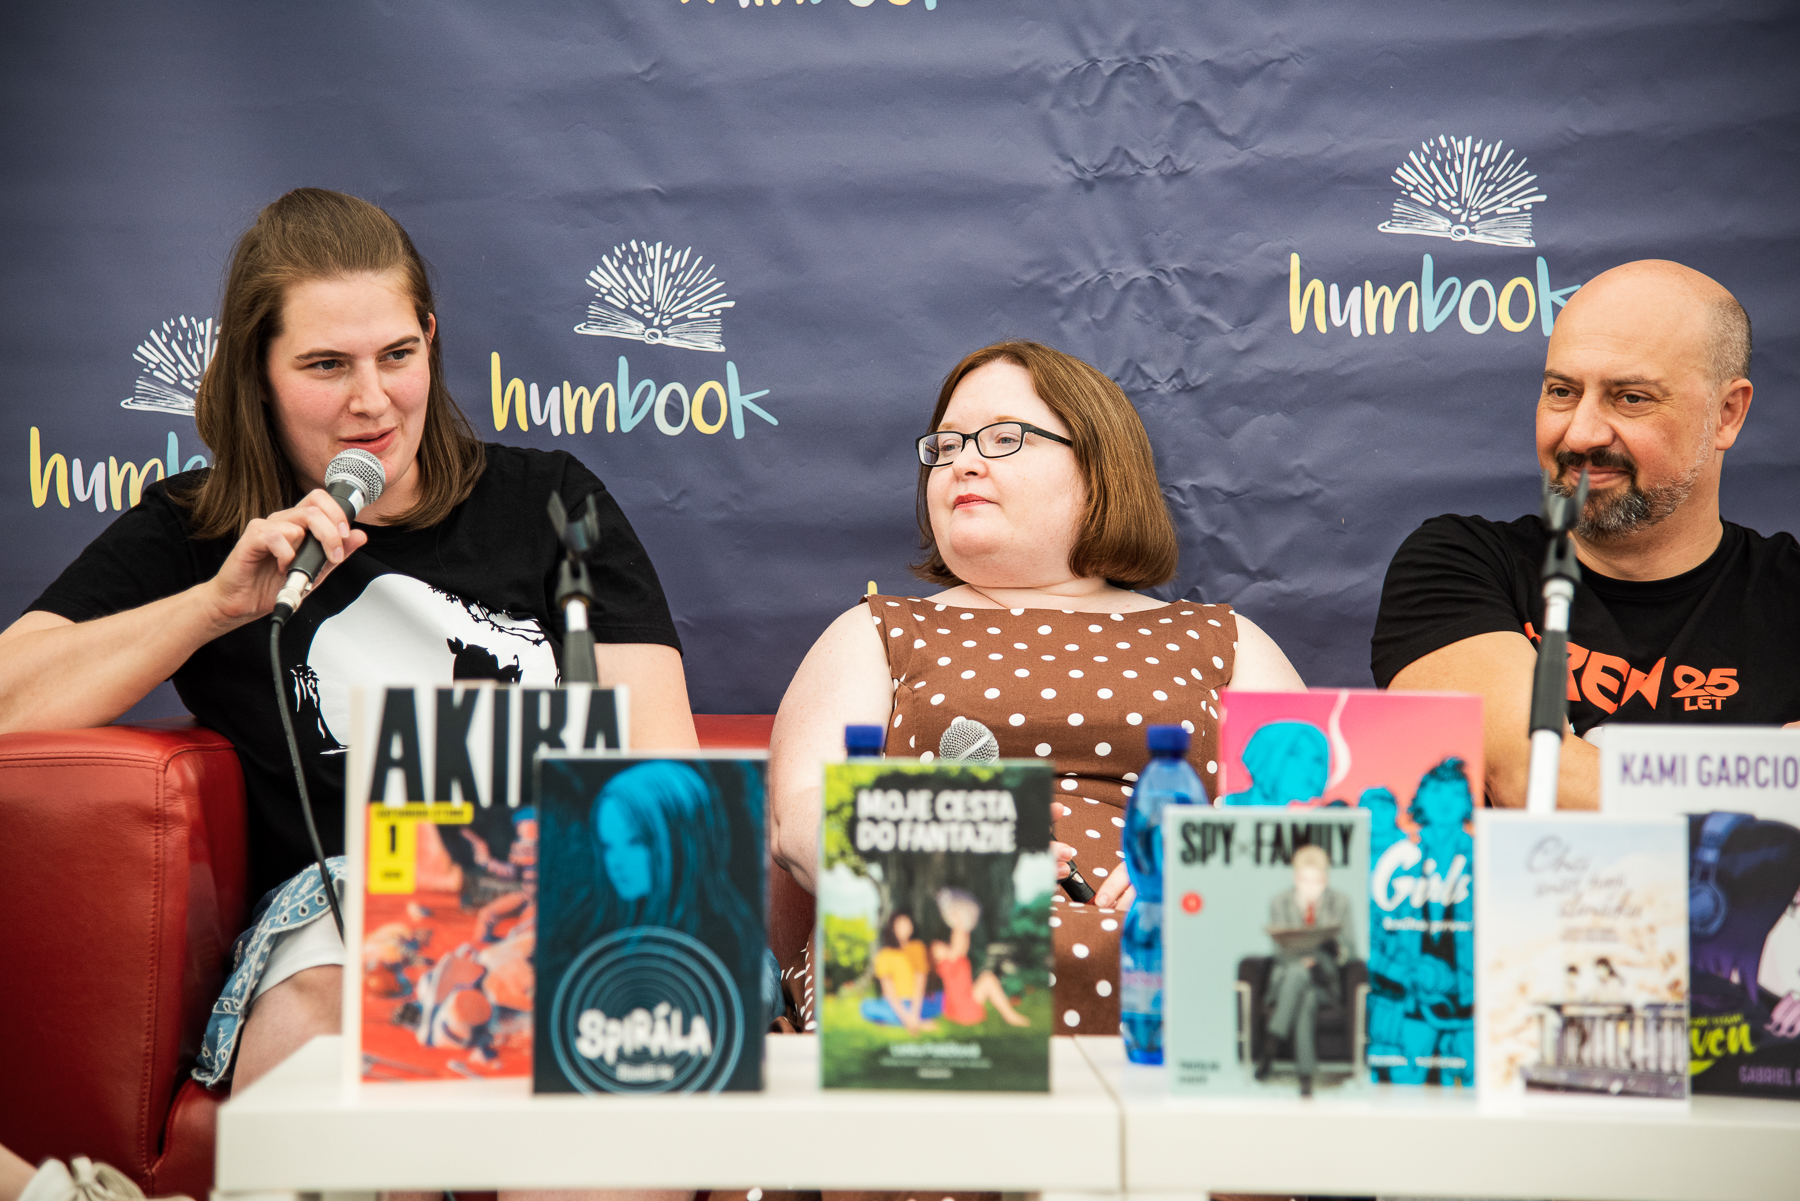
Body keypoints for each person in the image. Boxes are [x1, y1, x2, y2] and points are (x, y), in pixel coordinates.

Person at [0, 188, 697, 1134]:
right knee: (329, 1039)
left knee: (603, 1074)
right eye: (327, 365)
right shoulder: (200, 528)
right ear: (258, 373)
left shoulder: (549, 502)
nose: (372, 400)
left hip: (565, 882)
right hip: (338, 908)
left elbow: (658, 768)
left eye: (397, 355)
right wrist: (212, 608)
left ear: (431, 342)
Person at [768, 339, 1305, 1035]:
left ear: (1099, 467)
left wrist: (1219, 858)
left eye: (1003, 438)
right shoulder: (878, 629)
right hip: (935, 971)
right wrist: (923, 859)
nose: (963, 462)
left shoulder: (1226, 640)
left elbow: (1311, 813)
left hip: (1187, 968)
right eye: (947, 445)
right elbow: (799, 818)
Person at [1371, 259, 1800, 809]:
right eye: (1562, 391)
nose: (1581, 434)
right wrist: (1768, 784)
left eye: (1631, 397)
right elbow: (1528, 776)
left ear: (1727, 414)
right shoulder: (1458, 565)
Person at [1258, 844, 1353, 1097]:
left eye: (1317, 881)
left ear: (1326, 879)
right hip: (1288, 981)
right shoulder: (1280, 902)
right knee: (1303, 990)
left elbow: (1350, 951)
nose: (1310, 887)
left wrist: (1334, 950)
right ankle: (1306, 1076)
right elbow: (1279, 951)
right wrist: (1304, 961)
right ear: (1295, 877)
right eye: (1305, 880)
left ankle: (1271, 1044)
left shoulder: (1340, 903)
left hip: (1324, 982)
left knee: (1304, 982)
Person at [928, 888, 1031, 1028]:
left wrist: (961, 923)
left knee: (988, 979)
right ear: (935, 959)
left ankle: (1010, 1015)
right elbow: (957, 944)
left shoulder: (955, 960)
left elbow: (962, 943)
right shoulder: (945, 965)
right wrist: (958, 921)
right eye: (937, 948)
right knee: (988, 979)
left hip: (965, 1003)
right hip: (962, 1009)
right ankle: (1010, 1016)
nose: (940, 945)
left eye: (941, 944)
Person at [866, 912, 937, 1033]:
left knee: (943, 999)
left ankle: (895, 1021)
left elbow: (920, 981)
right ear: (892, 928)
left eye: (907, 923)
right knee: (866, 1007)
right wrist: (907, 1018)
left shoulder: (918, 947)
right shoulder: (885, 954)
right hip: (896, 1004)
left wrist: (914, 1012)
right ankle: (918, 1023)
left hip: (917, 1002)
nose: (904, 927)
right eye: (899, 924)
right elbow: (889, 990)